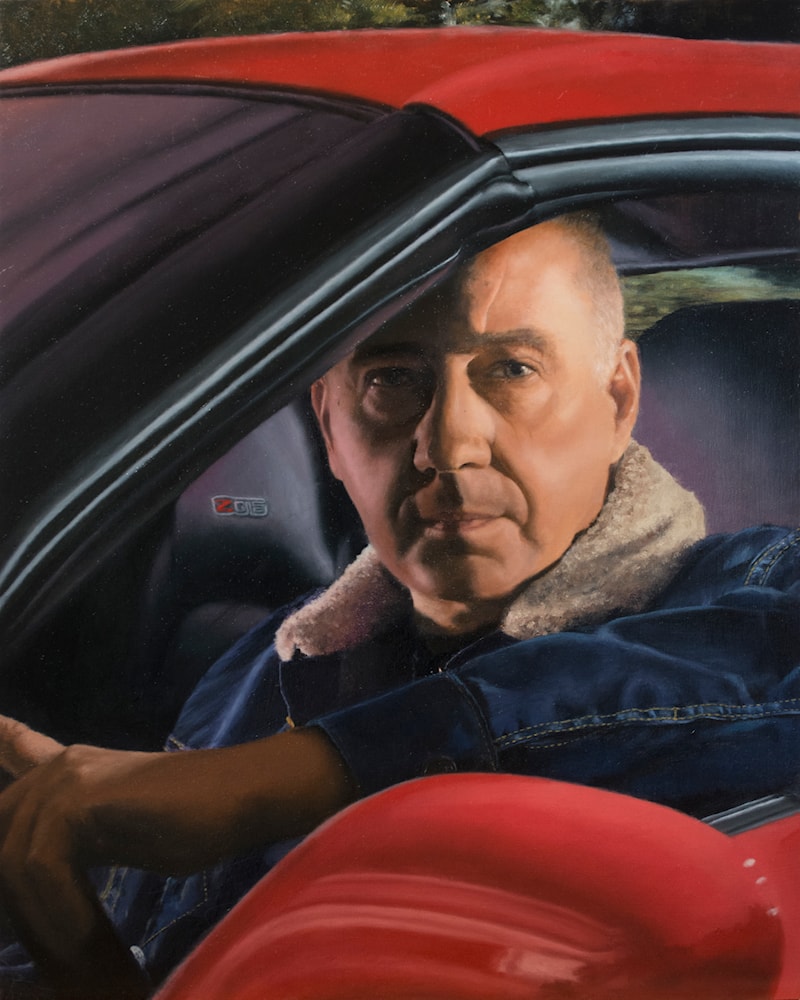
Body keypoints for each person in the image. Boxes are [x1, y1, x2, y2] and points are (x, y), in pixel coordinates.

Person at [0, 216, 797, 998]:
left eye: (512, 369)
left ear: (618, 399)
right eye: (392, 379)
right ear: (329, 428)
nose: (448, 444)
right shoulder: (262, 671)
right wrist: (67, 935)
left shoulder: (763, 591)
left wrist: (283, 780)